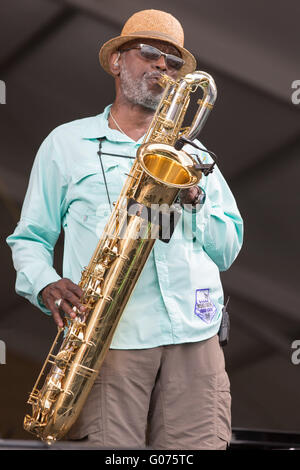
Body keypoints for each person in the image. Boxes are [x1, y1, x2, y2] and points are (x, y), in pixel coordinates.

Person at [6, 9, 243, 450]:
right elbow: (30, 239)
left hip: (195, 338)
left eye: (173, 63)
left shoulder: (196, 153)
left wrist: (195, 199)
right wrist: (45, 284)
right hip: (110, 339)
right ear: (117, 61)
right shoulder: (66, 143)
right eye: (151, 53)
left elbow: (228, 249)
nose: (162, 67)